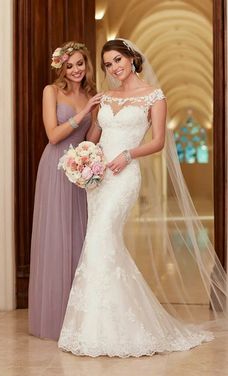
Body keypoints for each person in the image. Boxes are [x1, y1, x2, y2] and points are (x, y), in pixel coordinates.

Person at [58, 39, 228, 357]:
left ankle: (120, 329)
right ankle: (96, 328)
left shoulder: (154, 96)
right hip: (97, 177)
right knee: (100, 245)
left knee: (100, 240)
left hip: (124, 176)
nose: (114, 67)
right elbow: (94, 136)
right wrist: (81, 158)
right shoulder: (105, 97)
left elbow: (159, 141)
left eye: (118, 60)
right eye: (107, 64)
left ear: (132, 59)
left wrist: (127, 154)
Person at [29, 41, 102, 341]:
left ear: (87, 65)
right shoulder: (52, 91)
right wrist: (84, 109)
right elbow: (53, 134)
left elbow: (91, 138)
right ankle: (54, 318)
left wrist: (99, 117)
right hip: (55, 167)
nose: (75, 70)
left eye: (80, 64)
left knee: (78, 235)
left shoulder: (90, 94)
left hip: (79, 169)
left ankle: (78, 318)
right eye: (69, 65)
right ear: (61, 66)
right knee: (56, 237)